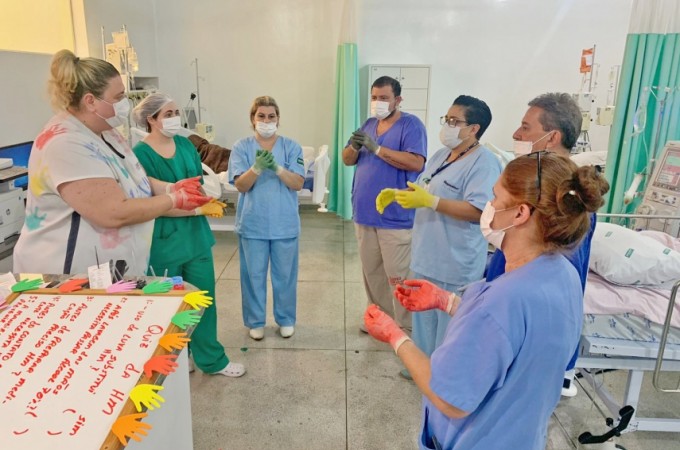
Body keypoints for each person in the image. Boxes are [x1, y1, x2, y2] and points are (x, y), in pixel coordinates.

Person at [364, 152, 610, 449]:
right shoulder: (562, 275)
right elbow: (516, 339)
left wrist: (396, 336)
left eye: (494, 197)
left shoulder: (502, 301)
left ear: (520, 213)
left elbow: (450, 399)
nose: (488, 207)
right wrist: (447, 301)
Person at [13, 50, 210, 275]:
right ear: (91, 101)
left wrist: (168, 187)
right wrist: (174, 199)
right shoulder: (64, 144)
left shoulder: (106, 131)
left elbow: (133, 179)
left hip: (112, 267)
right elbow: (113, 212)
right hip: (67, 274)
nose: (125, 103)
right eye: (118, 97)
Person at [486, 92, 605, 396]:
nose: (516, 134)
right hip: (507, 318)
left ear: (552, 137)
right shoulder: (539, 190)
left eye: (525, 127)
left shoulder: (566, 207)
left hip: (526, 342)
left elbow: (557, 290)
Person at [381, 96, 501, 376]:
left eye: (454, 121)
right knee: (422, 319)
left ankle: (445, 378)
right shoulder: (440, 156)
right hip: (426, 255)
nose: (447, 126)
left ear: (474, 128)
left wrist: (431, 203)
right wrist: (400, 195)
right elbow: (424, 190)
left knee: (449, 328)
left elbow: (478, 211)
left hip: (454, 262)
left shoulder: (484, 163)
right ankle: (421, 369)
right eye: (446, 119)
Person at [132, 93, 245, 378]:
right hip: (164, 240)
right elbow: (152, 203)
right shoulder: (140, 155)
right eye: (167, 113)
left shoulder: (184, 145)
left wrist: (199, 204)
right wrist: (194, 209)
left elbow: (196, 188)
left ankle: (211, 360)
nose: (175, 118)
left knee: (204, 300)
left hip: (196, 238)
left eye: (176, 112)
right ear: (151, 119)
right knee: (170, 306)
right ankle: (177, 361)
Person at [342, 76, 427, 332]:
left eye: (383, 98)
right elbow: (347, 159)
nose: (377, 103)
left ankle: (406, 327)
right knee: (372, 273)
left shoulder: (411, 125)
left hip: (395, 216)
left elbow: (416, 162)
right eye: (374, 97)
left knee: (398, 275)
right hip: (365, 213)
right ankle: (380, 320)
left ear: (397, 100)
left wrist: (377, 149)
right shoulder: (369, 124)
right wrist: (355, 148)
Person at [227, 96, 305, 340]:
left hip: (284, 224)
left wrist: (278, 169)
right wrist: (256, 168)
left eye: (271, 116)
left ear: (278, 119)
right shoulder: (241, 147)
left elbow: (298, 183)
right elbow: (240, 185)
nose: (266, 120)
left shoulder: (291, 147)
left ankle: (286, 319)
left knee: (285, 276)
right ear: (253, 119)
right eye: (261, 116)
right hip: (253, 224)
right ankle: (255, 321)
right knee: (253, 276)